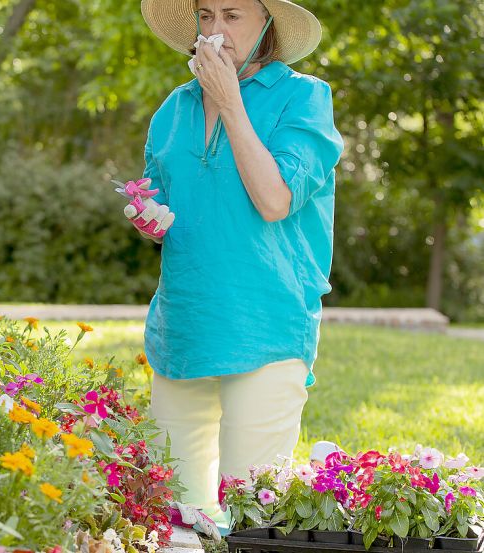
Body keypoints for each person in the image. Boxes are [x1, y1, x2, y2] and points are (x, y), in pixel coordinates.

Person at [132, 0, 345, 531]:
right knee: (171, 515)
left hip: (266, 323)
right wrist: (147, 215)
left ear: (268, 26)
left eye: (233, 16)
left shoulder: (304, 98)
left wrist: (229, 102)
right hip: (182, 325)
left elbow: (275, 199)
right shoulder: (174, 108)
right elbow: (164, 197)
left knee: (253, 519)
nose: (216, 31)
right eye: (206, 17)